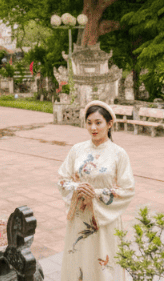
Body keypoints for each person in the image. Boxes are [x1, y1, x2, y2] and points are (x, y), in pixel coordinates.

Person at [58, 101, 135, 281]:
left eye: (98, 122)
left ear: (109, 124)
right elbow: (62, 179)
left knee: (103, 263)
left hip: (104, 219)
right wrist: (77, 188)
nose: (93, 127)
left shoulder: (118, 153)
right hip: (80, 217)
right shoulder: (77, 150)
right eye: (89, 122)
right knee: (79, 258)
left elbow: (127, 189)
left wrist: (97, 194)